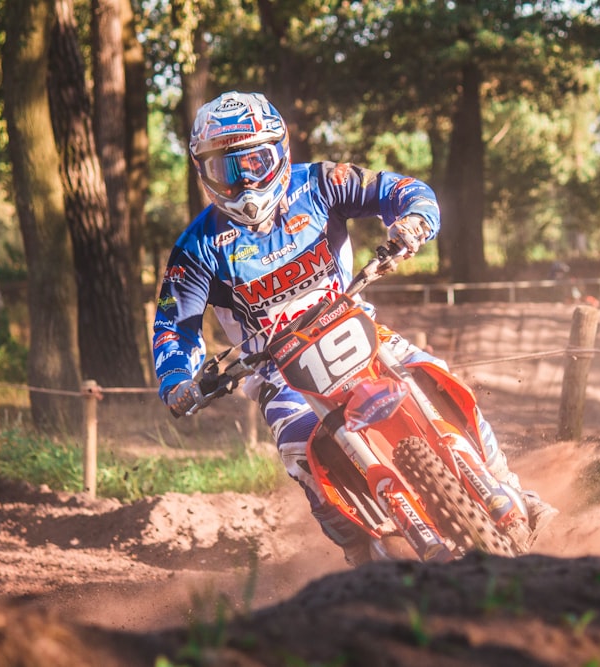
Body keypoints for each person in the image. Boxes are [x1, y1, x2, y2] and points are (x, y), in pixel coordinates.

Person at [153, 91, 557, 565]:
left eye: (255, 161)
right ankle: (358, 547)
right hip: (276, 372)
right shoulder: (196, 247)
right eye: (226, 169)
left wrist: (412, 223)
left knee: (434, 372)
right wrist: (178, 380)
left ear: (279, 152)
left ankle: (510, 489)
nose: (243, 181)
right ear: (204, 172)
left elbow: (402, 189)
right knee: (298, 448)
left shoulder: (322, 183)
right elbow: (173, 326)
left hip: (357, 327)